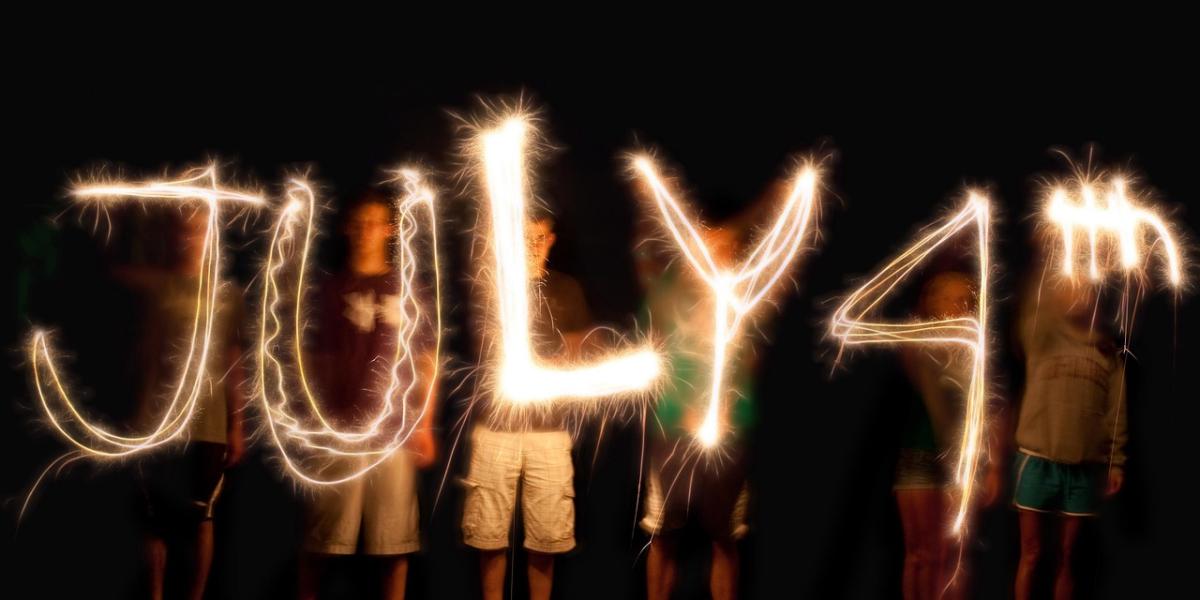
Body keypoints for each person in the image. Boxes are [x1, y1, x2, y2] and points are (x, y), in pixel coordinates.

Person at [298, 189, 439, 600]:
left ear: (389, 230)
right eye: (358, 224)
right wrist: (315, 418)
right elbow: (313, 359)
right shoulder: (329, 289)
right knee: (322, 542)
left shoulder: (410, 289)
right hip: (339, 429)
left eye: (374, 224)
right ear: (347, 228)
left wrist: (424, 425)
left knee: (393, 545)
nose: (366, 232)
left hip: (393, 430)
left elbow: (427, 360)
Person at [461, 213, 591, 600]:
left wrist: (550, 370)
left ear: (551, 240)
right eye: (524, 237)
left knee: (546, 538)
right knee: (489, 536)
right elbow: (485, 347)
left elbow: (578, 354)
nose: (532, 245)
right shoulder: (493, 287)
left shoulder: (567, 289)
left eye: (539, 237)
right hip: (496, 427)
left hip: (549, 430)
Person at [124, 209, 247, 600]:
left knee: (201, 517)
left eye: (201, 229)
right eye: (186, 229)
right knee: (155, 518)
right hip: (162, 422)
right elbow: (149, 354)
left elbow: (234, 360)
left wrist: (237, 424)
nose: (192, 237)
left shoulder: (227, 294)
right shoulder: (162, 288)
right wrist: (141, 418)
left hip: (208, 422)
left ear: (212, 235)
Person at [640, 223, 754, 600]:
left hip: (728, 435)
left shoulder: (745, 301)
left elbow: (751, 361)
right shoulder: (666, 295)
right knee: (663, 533)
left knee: (724, 535)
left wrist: (727, 406)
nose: (714, 256)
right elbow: (651, 355)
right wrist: (683, 407)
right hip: (673, 432)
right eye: (707, 247)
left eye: (724, 249)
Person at [1012, 265, 1126, 600]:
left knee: (1068, 557)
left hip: (1084, 466)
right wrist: (1046, 254)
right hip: (1037, 459)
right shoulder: (1043, 334)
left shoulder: (1107, 352)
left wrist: (1115, 461)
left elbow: (1116, 412)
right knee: (1031, 553)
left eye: (1087, 289)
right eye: (1071, 287)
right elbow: (1030, 305)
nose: (1080, 295)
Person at [892, 271, 974, 600]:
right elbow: (918, 365)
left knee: (945, 557)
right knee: (918, 555)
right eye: (948, 298)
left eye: (963, 300)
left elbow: (985, 405)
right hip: (919, 452)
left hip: (957, 462)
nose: (955, 306)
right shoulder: (919, 341)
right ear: (931, 302)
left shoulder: (973, 351)